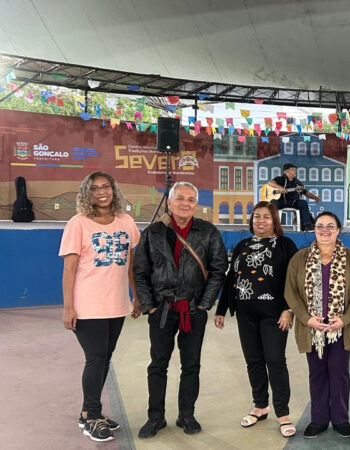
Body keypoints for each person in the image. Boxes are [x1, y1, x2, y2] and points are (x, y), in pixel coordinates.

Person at [133, 181, 228, 438]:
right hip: (162, 310)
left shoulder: (208, 232)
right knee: (158, 365)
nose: (186, 203)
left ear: (196, 205)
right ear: (170, 202)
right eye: (181, 198)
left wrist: (204, 303)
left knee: (191, 365)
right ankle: (156, 417)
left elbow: (219, 269)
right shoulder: (152, 233)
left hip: (193, 311)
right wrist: (149, 306)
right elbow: (140, 272)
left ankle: (187, 414)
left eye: (191, 199)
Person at [59, 171, 140, 442]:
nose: (101, 192)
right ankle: (91, 416)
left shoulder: (126, 221)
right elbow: (69, 269)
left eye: (106, 187)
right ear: (87, 193)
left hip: (116, 304)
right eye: (94, 189)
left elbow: (130, 264)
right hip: (88, 305)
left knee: (105, 358)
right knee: (95, 359)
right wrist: (68, 308)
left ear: (114, 190)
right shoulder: (78, 223)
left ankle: (91, 412)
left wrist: (136, 296)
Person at [214, 201, 298, 437]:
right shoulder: (243, 244)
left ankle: (283, 413)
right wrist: (221, 309)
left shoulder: (285, 245)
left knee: (275, 360)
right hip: (246, 313)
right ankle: (260, 406)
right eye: (257, 216)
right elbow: (232, 278)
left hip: (274, 315)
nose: (260, 221)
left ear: (275, 222)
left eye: (266, 217)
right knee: (253, 361)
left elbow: (294, 281)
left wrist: (288, 308)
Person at [284, 212, 350, 439]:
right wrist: (305, 318)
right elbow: (291, 292)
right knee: (317, 373)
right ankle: (318, 419)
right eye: (320, 226)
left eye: (331, 226)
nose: (325, 230)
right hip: (312, 329)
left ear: (339, 230)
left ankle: (340, 419)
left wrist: (345, 318)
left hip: (340, 328)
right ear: (314, 229)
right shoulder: (300, 259)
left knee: (339, 373)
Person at [267, 163, 321, 231]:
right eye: (293, 169)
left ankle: (307, 226)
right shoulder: (280, 179)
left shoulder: (297, 182)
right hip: (281, 202)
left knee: (303, 203)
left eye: (295, 170)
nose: (295, 171)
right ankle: (272, 225)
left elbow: (305, 192)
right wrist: (280, 188)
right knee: (273, 203)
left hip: (293, 203)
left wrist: (315, 197)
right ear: (286, 171)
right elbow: (270, 183)